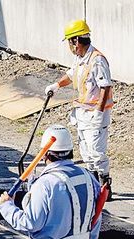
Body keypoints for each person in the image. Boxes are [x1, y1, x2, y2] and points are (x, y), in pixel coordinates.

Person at [45, 19, 114, 200]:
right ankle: (94, 185)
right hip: (83, 112)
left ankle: (105, 186)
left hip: (95, 113)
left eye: (69, 41)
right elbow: (71, 75)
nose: (69, 45)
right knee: (86, 151)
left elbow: (105, 87)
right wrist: (57, 85)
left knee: (97, 152)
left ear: (76, 41)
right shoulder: (80, 58)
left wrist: (99, 111)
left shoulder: (97, 60)